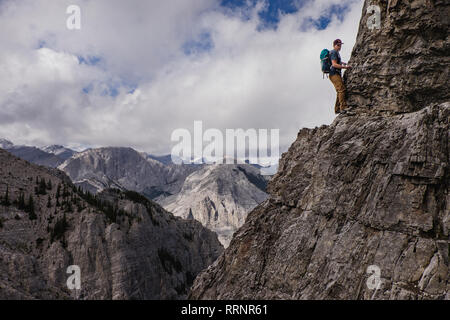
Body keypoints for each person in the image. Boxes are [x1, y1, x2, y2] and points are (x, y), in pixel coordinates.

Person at [329, 39, 351, 114]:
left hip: (335, 74)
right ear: (334, 45)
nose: (339, 47)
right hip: (334, 74)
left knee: (339, 91)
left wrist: (343, 63)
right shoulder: (334, 52)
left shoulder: (336, 53)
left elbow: (336, 61)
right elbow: (334, 64)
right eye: (338, 45)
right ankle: (343, 108)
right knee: (342, 89)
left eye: (340, 45)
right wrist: (345, 67)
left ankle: (337, 109)